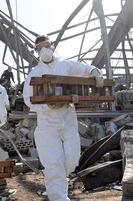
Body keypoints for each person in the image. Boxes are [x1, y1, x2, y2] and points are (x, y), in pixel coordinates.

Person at [23, 35, 104, 201]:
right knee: (53, 164)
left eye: (47, 45)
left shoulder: (65, 65)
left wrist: (94, 71)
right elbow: (27, 98)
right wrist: (46, 106)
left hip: (67, 118)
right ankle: (58, 197)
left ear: (52, 46)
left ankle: (60, 180)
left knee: (71, 159)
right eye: (40, 48)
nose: (44, 50)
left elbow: (83, 68)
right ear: (37, 51)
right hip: (47, 123)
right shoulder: (35, 73)